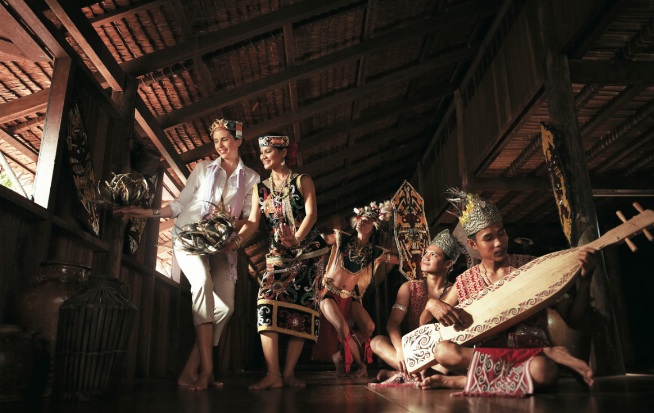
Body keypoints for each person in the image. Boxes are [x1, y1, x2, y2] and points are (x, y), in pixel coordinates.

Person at [115, 119, 260, 391]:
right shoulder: (204, 169)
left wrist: (233, 237)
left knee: (226, 307)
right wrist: (149, 213)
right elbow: (181, 203)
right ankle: (207, 371)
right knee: (202, 284)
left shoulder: (251, 178)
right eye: (216, 140)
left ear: (239, 140)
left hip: (221, 245)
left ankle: (189, 371)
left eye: (225, 139)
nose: (220, 145)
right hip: (188, 237)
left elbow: (248, 219)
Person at [418, 189, 596, 396]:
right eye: (488, 238)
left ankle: (466, 382)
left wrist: (585, 281)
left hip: (530, 357)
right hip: (490, 358)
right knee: (443, 351)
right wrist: (432, 304)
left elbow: (574, 319)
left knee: (543, 370)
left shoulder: (530, 267)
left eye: (501, 233)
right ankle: (545, 356)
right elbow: (424, 324)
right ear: (473, 245)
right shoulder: (465, 282)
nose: (499, 242)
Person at [247, 134, 330, 390]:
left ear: (283, 153)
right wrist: (236, 240)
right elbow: (253, 223)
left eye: (267, 151)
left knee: (300, 312)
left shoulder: (302, 180)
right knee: (266, 303)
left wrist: (296, 239)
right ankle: (273, 373)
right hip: (277, 257)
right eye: (261, 152)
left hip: (307, 255)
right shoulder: (259, 188)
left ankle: (289, 373)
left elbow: (311, 214)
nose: (263, 156)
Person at [312, 202, 398, 377]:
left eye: (367, 221)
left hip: (349, 297)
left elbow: (397, 259)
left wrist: (411, 247)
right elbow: (321, 239)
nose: (361, 222)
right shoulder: (340, 238)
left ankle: (341, 354)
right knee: (343, 329)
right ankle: (360, 365)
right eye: (360, 219)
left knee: (369, 327)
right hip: (328, 293)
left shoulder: (376, 253)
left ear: (373, 227)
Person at [370, 229, 461, 382]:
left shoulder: (455, 290)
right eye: (426, 252)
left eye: (434, 255)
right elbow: (393, 323)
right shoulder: (409, 288)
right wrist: (400, 351)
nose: (426, 257)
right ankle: (415, 373)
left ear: (448, 263)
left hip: (438, 353)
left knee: (446, 363)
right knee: (377, 342)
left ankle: (401, 374)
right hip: (410, 352)